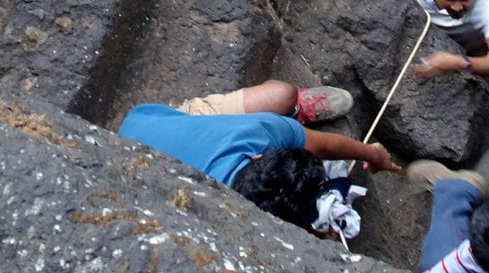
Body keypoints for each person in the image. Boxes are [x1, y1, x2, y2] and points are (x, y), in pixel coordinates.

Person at [117, 81, 399, 233]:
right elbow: (322, 148)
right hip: (134, 145)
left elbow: (323, 146)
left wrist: (371, 153)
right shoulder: (224, 222)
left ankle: (295, 110)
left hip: (146, 124)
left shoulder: (258, 134)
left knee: (281, 95)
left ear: (257, 157)